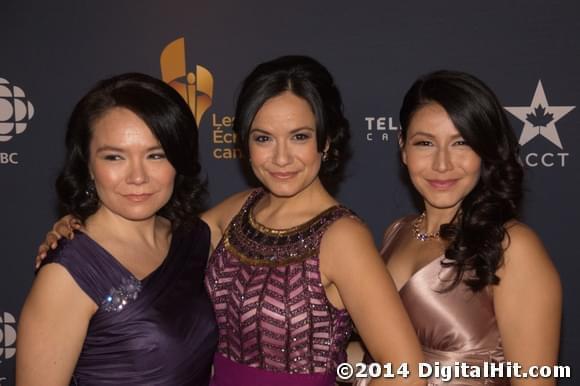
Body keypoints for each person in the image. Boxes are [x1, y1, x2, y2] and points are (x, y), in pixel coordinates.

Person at [36, 56, 425, 386]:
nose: (281, 158)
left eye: (300, 136)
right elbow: (158, 241)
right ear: (243, 143)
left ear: (326, 141)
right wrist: (81, 225)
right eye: (263, 138)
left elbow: (405, 369)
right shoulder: (241, 208)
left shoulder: (343, 236)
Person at [17, 73, 217, 385]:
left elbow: (270, 202)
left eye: (156, 155)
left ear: (177, 161)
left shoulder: (193, 237)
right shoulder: (67, 274)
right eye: (114, 157)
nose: (138, 176)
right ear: (88, 165)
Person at [368, 70, 562, 386]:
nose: (442, 164)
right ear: (403, 147)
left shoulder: (513, 248)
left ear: (485, 151)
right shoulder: (397, 231)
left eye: (461, 142)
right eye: (425, 143)